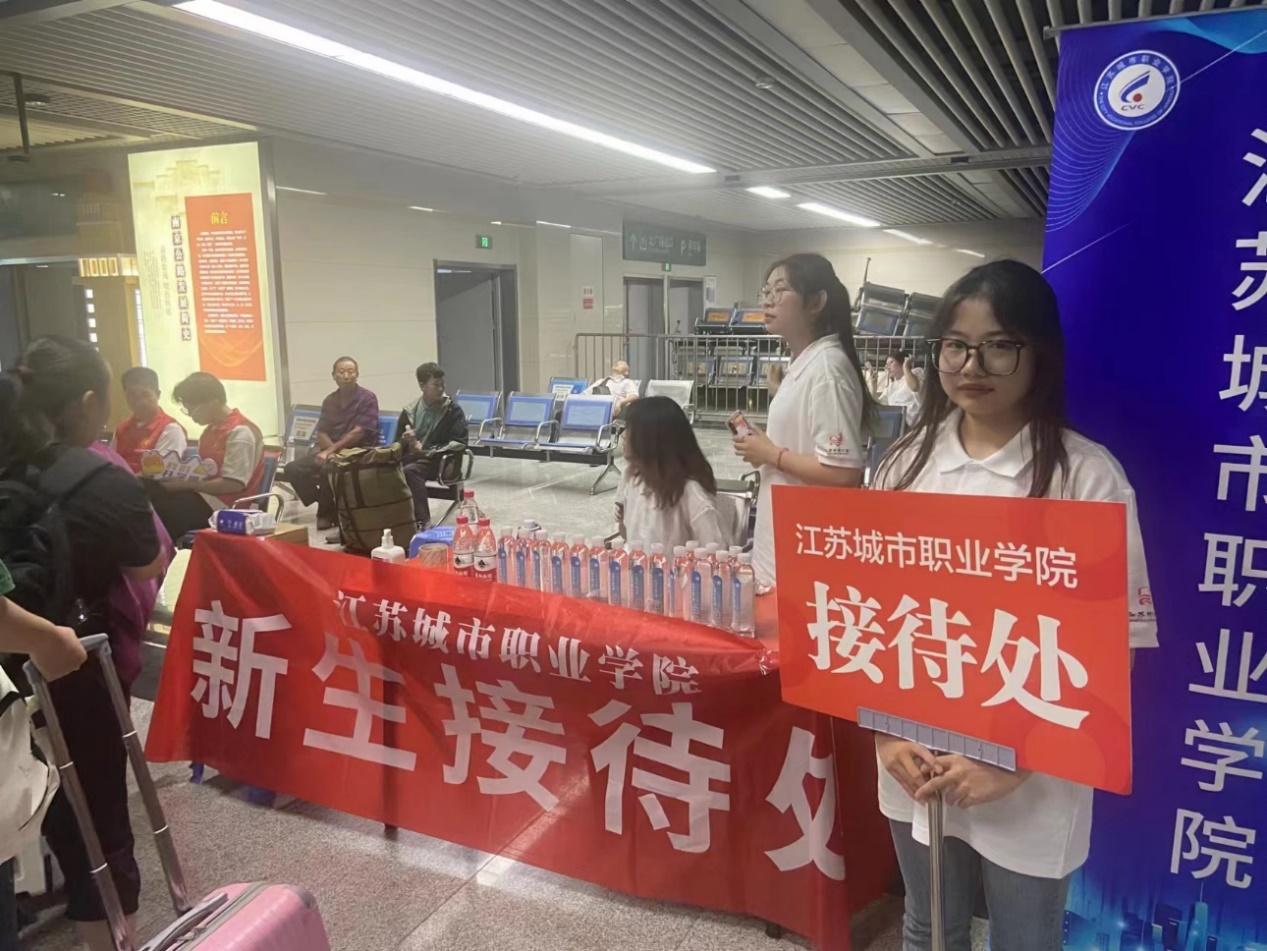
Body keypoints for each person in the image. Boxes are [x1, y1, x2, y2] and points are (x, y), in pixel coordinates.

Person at [872, 260, 1157, 951]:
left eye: (998, 345)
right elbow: (868, 618)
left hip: (1037, 771)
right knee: (926, 926)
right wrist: (884, 735)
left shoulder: (1085, 477)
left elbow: (1109, 653)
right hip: (913, 749)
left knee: (1024, 937)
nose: (972, 365)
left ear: (1040, 353)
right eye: (955, 345)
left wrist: (1015, 761)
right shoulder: (902, 467)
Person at [0, 336, 166, 951]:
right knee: (96, 819)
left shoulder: (7, 466)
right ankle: (106, 936)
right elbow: (147, 562)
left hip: (4, 674)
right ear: (90, 402)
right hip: (74, 666)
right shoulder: (100, 476)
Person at [733, 253, 873, 589]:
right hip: (785, 538)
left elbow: (843, 473)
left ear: (816, 303)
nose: (768, 300)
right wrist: (764, 449)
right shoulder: (807, 363)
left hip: (804, 547)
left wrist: (771, 454)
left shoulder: (827, 370)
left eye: (781, 290)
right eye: (766, 290)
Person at [144, 372, 265, 540]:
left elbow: (233, 484)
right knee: (146, 492)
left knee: (161, 513)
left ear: (213, 401)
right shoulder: (210, 431)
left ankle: (155, 553)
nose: (191, 415)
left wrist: (186, 485)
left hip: (226, 505)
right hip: (203, 496)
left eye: (194, 409)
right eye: (187, 410)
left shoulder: (240, 432)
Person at [614, 396, 734, 551]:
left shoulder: (690, 493)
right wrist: (623, 519)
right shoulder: (631, 476)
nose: (623, 436)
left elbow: (715, 552)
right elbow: (627, 534)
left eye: (630, 429)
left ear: (651, 440)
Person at [283, 356, 379, 530]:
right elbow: (322, 431)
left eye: (350, 372)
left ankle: (325, 513)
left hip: (358, 453)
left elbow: (359, 432)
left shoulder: (368, 398)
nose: (346, 376)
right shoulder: (330, 400)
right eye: (341, 372)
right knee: (292, 469)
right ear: (333, 375)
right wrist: (331, 452)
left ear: (357, 375)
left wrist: (331, 452)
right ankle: (328, 505)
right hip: (333, 452)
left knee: (327, 468)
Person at [398, 363, 468, 529]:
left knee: (411, 471)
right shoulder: (410, 411)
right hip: (413, 457)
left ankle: (423, 521)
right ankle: (394, 517)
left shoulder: (452, 410)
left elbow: (460, 442)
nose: (441, 389)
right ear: (422, 386)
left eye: (442, 384)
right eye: (436, 385)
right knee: (384, 468)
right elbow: (397, 442)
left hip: (439, 460)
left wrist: (429, 450)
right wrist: (405, 440)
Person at [109, 366, 187, 474]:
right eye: (131, 395)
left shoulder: (171, 429)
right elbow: (110, 461)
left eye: (145, 394)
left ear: (158, 394)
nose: (138, 401)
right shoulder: (121, 428)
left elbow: (158, 473)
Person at [872, 349, 924, 426]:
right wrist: (874, 386)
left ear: (902, 362)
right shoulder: (891, 387)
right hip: (894, 422)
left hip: (911, 421)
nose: (888, 367)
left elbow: (914, 387)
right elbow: (878, 404)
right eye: (887, 365)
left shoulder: (916, 372)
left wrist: (905, 367)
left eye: (891, 362)